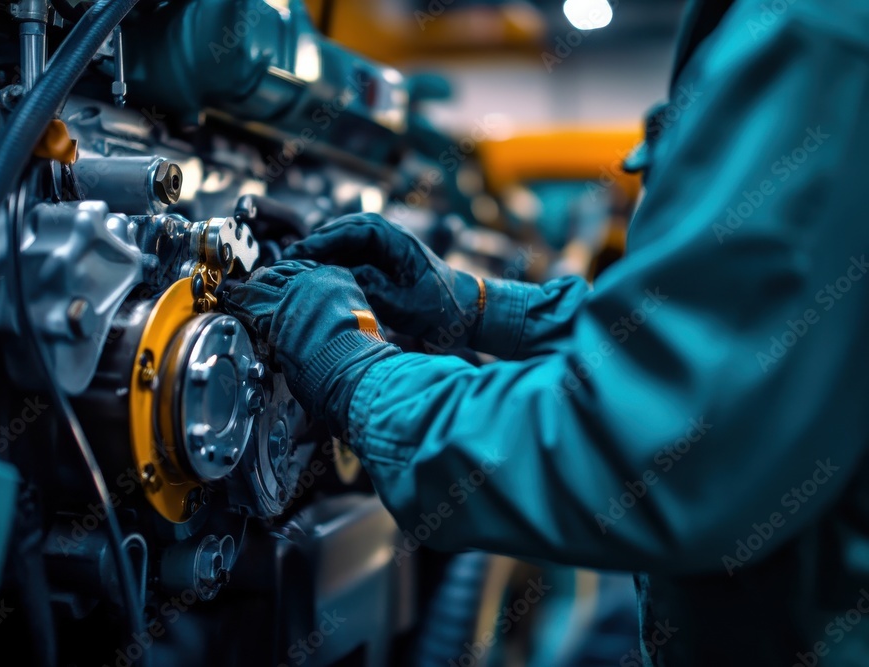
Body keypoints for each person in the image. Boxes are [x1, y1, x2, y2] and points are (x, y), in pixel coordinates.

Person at [224, 1, 869, 664]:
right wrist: (479, 307)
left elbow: (645, 444)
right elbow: (720, 333)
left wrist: (357, 376)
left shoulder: (816, 33)